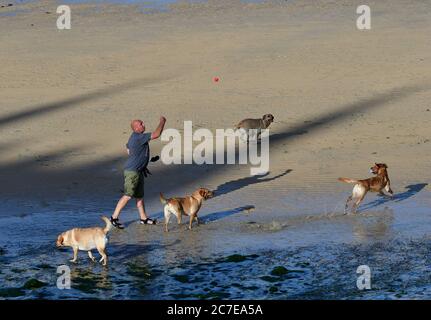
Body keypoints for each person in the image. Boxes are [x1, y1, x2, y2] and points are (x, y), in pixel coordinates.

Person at [110, 116, 166, 229]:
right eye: (141, 124)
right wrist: (162, 122)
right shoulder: (139, 137)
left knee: (139, 196)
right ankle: (114, 218)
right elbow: (156, 134)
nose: (144, 124)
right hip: (132, 172)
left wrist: (141, 161)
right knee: (128, 195)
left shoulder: (135, 138)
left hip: (138, 171)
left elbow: (128, 148)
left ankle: (143, 218)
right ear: (136, 128)